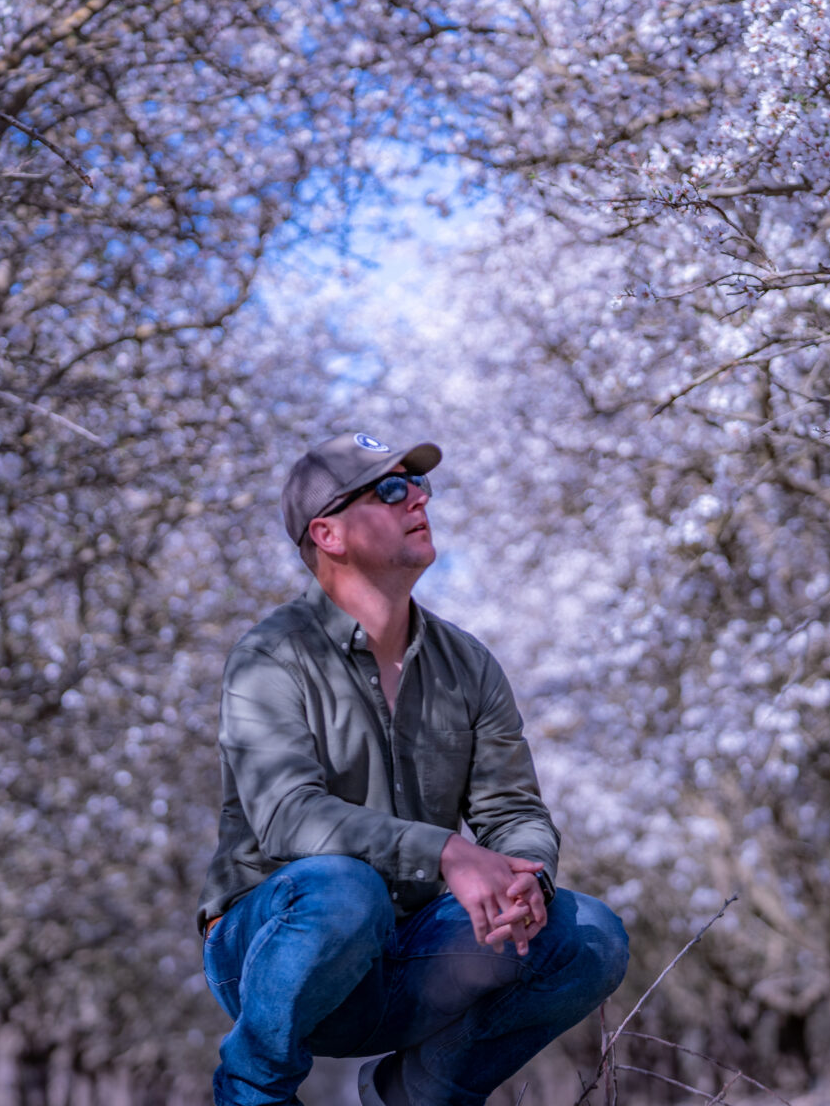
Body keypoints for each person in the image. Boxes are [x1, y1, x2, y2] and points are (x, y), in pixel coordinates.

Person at [198, 431, 630, 1106]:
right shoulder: (270, 657)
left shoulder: (470, 665)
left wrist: (526, 882)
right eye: (391, 489)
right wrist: (448, 852)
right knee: (346, 891)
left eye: (420, 484)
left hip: (414, 953)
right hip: (273, 950)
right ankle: (253, 1091)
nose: (419, 497)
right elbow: (286, 818)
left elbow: (513, 812)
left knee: (589, 936)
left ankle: (418, 1094)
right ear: (329, 534)